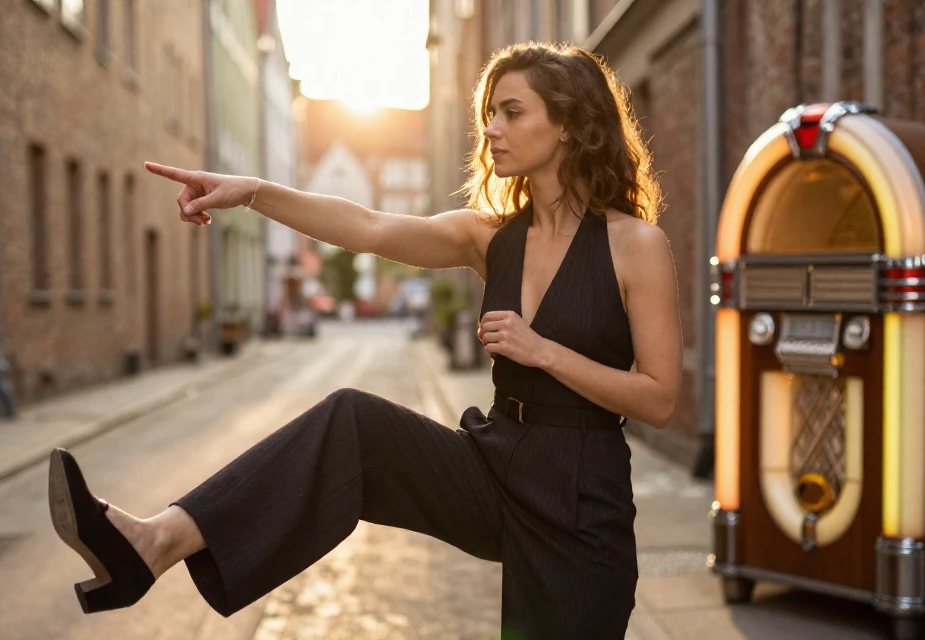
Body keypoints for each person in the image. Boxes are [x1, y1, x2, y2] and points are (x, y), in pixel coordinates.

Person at [48, 41, 682, 639]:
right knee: (352, 421)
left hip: (581, 502)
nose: (492, 129)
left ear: (567, 124)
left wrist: (542, 351)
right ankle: (152, 543)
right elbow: (370, 227)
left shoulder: (634, 246)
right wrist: (255, 193)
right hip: (496, 466)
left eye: (512, 113)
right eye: (490, 113)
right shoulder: (488, 237)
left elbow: (657, 398)